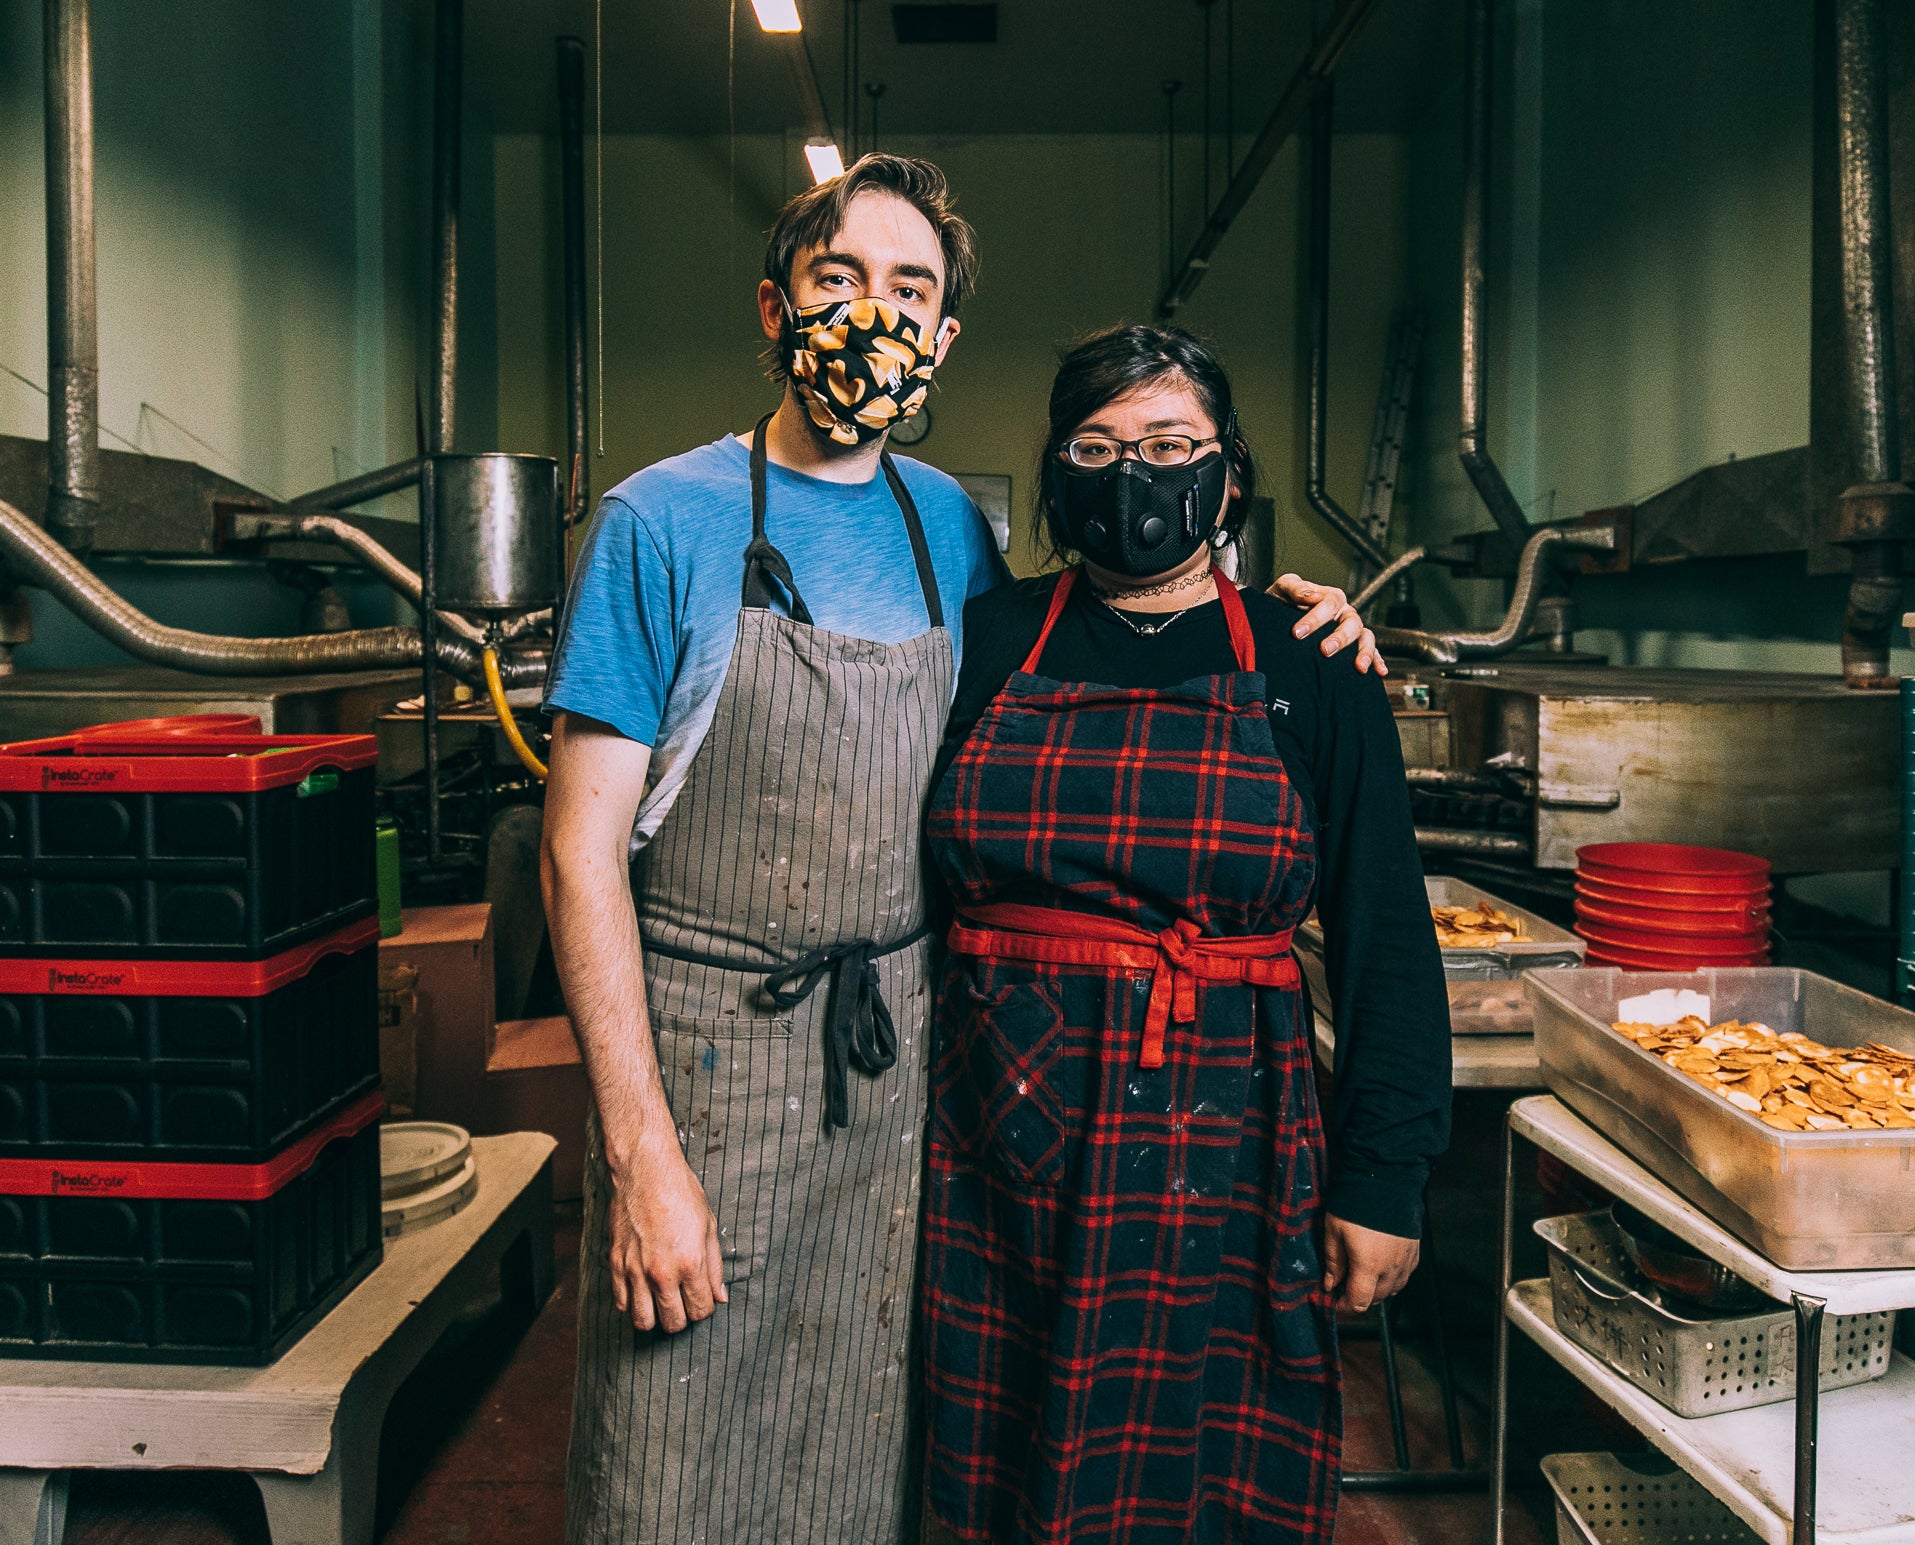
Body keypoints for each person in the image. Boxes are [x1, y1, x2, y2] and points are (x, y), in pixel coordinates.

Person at [540, 156, 1382, 1545]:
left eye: (909, 289)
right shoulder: (660, 521)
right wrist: (641, 1159)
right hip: (711, 1079)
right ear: (774, 307)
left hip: (912, 1112)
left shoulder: (954, 536)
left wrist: (1302, 619)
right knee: (670, 1466)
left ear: (940, 339)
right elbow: (579, 857)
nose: (872, 314)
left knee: (879, 1481)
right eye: (837, 280)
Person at [921, 324, 1452, 1543]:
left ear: (1227, 472)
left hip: (1220, 1144)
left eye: (1168, 446)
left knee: (1202, 1476)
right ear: (1056, 472)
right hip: (989, 1140)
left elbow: (1382, 935)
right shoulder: (989, 642)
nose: (1134, 478)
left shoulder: (1309, 661)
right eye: (1098, 447)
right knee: (996, 1465)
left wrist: (1385, 1176)